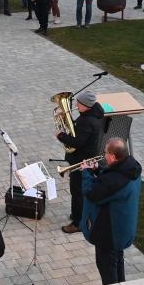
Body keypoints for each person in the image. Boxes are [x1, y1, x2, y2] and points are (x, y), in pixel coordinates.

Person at [80, 138, 143, 285]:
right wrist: (98, 170)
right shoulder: (131, 168)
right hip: (122, 228)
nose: (104, 155)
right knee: (117, 262)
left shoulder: (115, 180)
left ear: (114, 156)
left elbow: (92, 193)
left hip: (109, 233)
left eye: (106, 153)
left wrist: (87, 173)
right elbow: (111, 178)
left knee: (108, 271)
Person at [56, 89, 104, 234]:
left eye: (78, 103)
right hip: (84, 157)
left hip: (81, 160)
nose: (75, 104)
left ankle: (78, 223)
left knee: (77, 192)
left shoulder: (87, 121)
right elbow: (77, 130)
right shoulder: (92, 114)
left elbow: (77, 142)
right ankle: (79, 214)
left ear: (86, 105)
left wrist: (61, 135)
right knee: (79, 191)